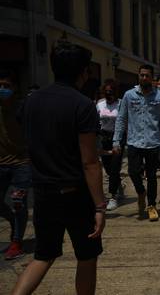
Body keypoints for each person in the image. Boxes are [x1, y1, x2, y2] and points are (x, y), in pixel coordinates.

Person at [12, 42, 106, 294]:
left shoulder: (31, 102)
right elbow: (89, 161)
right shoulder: (83, 105)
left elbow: (25, 140)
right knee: (86, 256)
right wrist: (99, 205)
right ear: (83, 72)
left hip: (43, 192)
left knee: (43, 256)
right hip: (75, 194)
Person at [113, 65, 160, 221]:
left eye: (147, 75)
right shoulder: (129, 95)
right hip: (133, 142)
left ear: (152, 78)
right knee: (132, 172)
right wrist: (116, 141)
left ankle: (151, 205)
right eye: (141, 75)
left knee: (152, 177)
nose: (144, 78)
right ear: (138, 76)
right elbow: (121, 119)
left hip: (152, 143)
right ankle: (140, 192)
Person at [0, 71, 31, 260]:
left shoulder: (23, 108)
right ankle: (12, 221)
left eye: (6, 86)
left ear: (15, 88)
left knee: (19, 202)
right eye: (0, 85)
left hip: (22, 163)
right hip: (1, 164)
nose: (2, 89)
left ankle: (17, 241)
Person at [96, 79, 125, 211]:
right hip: (104, 138)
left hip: (117, 138)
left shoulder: (121, 104)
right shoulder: (100, 104)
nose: (109, 94)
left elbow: (126, 121)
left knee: (115, 167)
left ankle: (113, 196)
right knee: (108, 169)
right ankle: (119, 187)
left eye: (111, 91)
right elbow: (96, 121)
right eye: (106, 92)